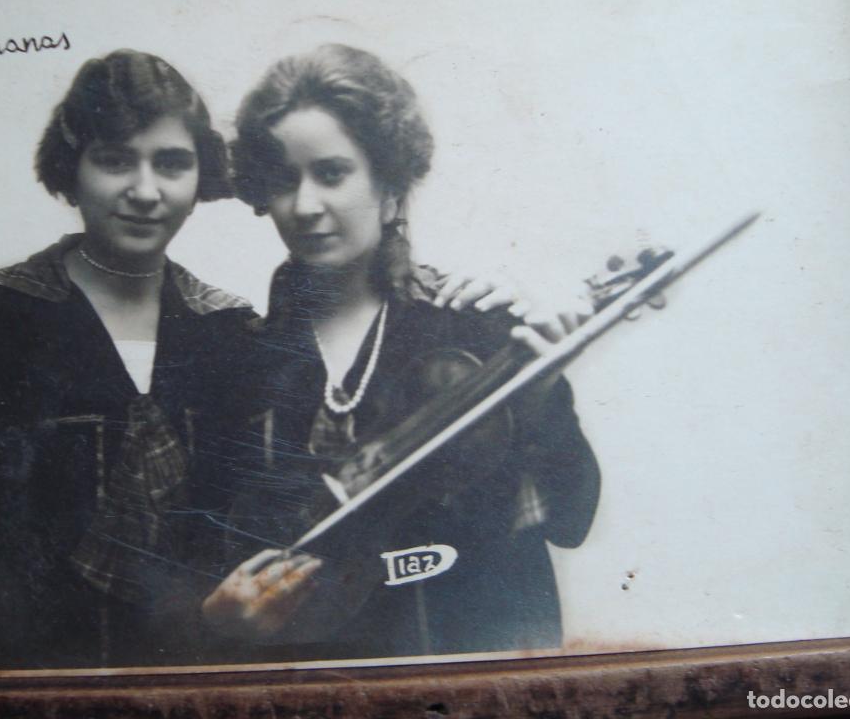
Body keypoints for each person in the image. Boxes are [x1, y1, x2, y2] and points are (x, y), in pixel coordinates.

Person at [202, 44, 601, 661]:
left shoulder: (475, 329)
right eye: (284, 180)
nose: (305, 205)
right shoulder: (246, 358)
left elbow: (570, 522)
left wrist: (541, 397)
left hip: (467, 671)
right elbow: (217, 552)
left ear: (388, 184)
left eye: (332, 173)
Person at [0, 50, 254, 671]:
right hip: (37, 683)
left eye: (171, 163)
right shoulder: (3, 322)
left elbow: (247, 533)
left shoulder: (229, 332)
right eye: (115, 161)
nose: (145, 191)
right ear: (72, 169)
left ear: (202, 176)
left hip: (194, 678)